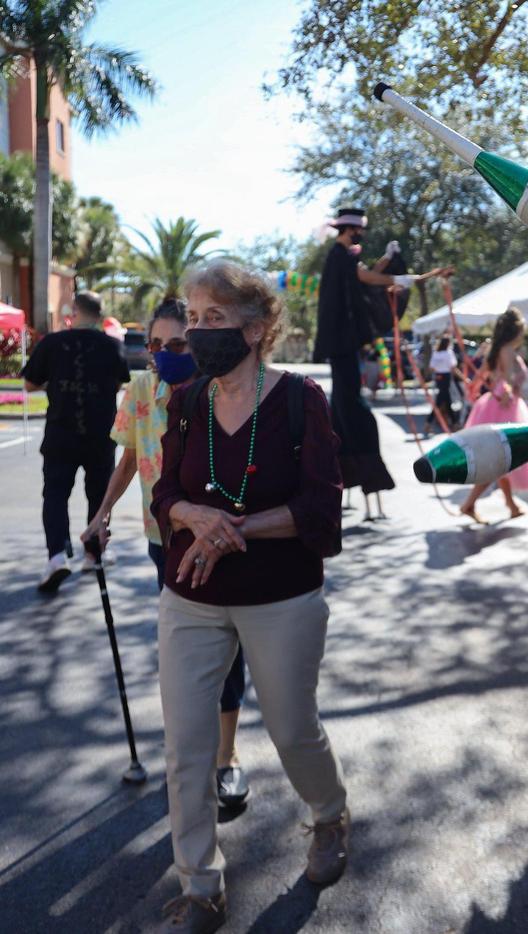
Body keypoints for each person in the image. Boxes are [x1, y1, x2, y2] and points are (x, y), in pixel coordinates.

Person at [150, 260, 348, 934]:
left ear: (257, 328)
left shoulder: (300, 400)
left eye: (215, 318)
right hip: (190, 596)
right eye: (193, 318)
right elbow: (164, 494)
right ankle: (201, 888)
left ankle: (329, 815)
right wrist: (191, 516)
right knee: (187, 746)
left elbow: (320, 507)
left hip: (281, 595)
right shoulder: (185, 402)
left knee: (292, 729)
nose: (198, 332)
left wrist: (232, 529)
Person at [80, 298, 251, 810]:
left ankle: (226, 756)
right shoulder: (141, 390)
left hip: (219, 539)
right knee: (182, 654)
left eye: (177, 344)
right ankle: (189, 751)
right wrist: (101, 514)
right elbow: (130, 457)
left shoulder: (222, 390)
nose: (163, 355)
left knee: (227, 649)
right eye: (155, 345)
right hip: (164, 542)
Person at [312, 208, 448, 498]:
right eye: (359, 231)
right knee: (351, 405)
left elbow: (366, 274)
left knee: (344, 402)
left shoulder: (343, 256)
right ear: (350, 230)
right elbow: (367, 277)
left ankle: (349, 466)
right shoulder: (339, 256)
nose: (361, 235)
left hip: (343, 342)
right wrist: (401, 278)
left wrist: (389, 261)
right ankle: (361, 465)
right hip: (341, 341)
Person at [22, 290, 130, 593]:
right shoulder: (112, 346)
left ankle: (57, 556)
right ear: (100, 313)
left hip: (61, 434)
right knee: (99, 495)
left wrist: (57, 381)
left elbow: (29, 383)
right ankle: (94, 554)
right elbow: (120, 382)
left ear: (74, 311)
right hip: (100, 435)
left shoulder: (53, 343)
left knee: (55, 495)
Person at [459, 307, 528, 523]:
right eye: (522, 330)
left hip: (495, 404)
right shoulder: (506, 350)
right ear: (515, 331)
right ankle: (470, 504)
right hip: (504, 407)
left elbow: (481, 377)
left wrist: (474, 389)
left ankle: (510, 505)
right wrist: (504, 390)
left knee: (503, 460)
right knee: (500, 460)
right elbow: (505, 379)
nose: (523, 335)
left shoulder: (497, 349)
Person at [427, 335, 466, 431]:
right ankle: (430, 422)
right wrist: (463, 378)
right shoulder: (449, 353)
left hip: (439, 377)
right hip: (446, 377)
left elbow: (431, 367)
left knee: (446, 400)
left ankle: (453, 423)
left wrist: (439, 371)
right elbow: (453, 368)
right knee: (441, 401)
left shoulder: (436, 353)